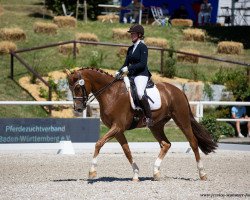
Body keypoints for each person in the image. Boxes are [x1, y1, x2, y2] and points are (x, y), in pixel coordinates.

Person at [116, 24, 153, 127]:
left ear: (140, 35)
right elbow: (125, 64)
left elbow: (142, 64)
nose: (131, 35)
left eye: (133, 34)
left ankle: (149, 117)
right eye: (131, 34)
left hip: (141, 74)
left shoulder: (143, 47)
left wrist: (128, 69)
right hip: (132, 75)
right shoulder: (130, 49)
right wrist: (118, 72)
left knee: (140, 93)